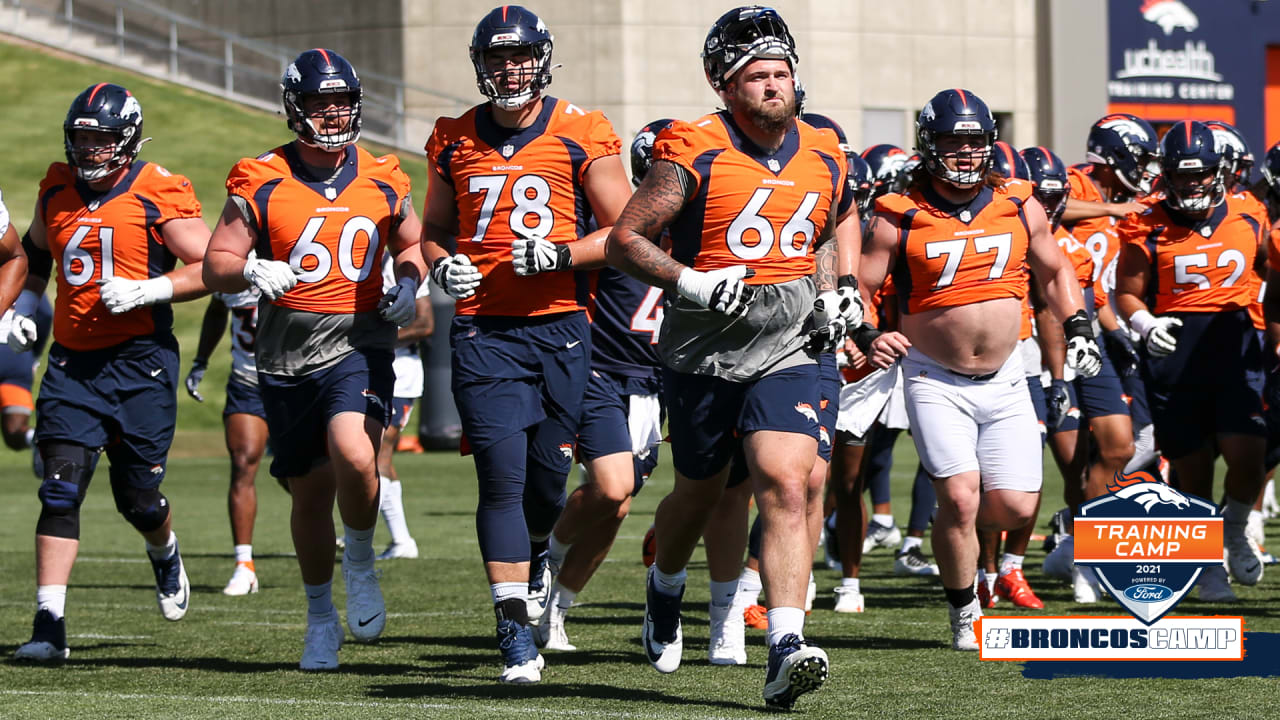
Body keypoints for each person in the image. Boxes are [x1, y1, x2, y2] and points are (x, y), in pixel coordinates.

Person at [606, 7, 862, 709]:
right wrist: (686, 278)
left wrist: (840, 291)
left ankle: (784, 644)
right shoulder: (693, 146)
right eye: (757, 75)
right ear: (724, 85)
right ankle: (664, 585)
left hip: (791, 345)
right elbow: (625, 239)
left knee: (786, 479)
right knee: (699, 489)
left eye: (782, 73)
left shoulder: (826, 147)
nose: (774, 86)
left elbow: (831, 219)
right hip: (705, 350)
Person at [420, 5, 631, 684]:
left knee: (547, 482)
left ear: (541, 59)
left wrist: (562, 254)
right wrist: (438, 263)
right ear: (480, 66)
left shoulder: (581, 130)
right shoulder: (452, 138)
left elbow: (625, 232)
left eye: (519, 57)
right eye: (496, 59)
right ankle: (514, 632)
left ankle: (539, 551)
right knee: (501, 477)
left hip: (561, 327)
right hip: (484, 330)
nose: (508, 70)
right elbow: (434, 229)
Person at [203, 48, 426, 670]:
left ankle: (360, 561)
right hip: (285, 356)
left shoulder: (384, 172)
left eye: (342, 103)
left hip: (359, 343)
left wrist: (408, 286)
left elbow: (412, 244)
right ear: (293, 107)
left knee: (356, 454)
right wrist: (250, 266)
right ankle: (320, 617)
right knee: (308, 493)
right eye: (319, 103)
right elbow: (215, 263)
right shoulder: (260, 175)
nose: (332, 115)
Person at [859, 88, 1101, 651]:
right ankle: (965, 606)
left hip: (1008, 373)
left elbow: (1056, 272)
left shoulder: (1019, 201)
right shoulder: (900, 212)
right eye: (953, 142)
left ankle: (956, 536)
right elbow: (864, 288)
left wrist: (1078, 324)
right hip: (933, 376)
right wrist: (870, 333)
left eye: (975, 143)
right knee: (963, 498)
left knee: (1015, 504)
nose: (967, 154)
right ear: (929, 144)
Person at [12, 83, 209, 662]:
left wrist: (152, 287)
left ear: (126, 140)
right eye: (81, 138)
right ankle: (49, 624)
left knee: (138, 498)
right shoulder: (56, 187)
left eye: (101, 138)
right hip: (73, 366)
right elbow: (36, 253)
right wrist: (26, 310)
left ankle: (164, 549)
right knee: (59, 488)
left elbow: (214, 267)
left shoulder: (155, 189)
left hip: (139, 364)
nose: (89, 149)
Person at [531, 119, 672, 653]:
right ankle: (543, 554)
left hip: (652, 381)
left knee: (619, 503)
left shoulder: (697, 225)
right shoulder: (612, 223)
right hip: (599, 370)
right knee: (613, 486)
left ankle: (558, 610)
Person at [1118, 121, 1267, 602]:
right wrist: (1146, 325)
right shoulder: (1147, 221)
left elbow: (1272, 270)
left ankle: (1236, 528)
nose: (1191, 183)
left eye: (1200, 173)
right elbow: (1126, 293)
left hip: (1234, 344)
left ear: (1220, 171)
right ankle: (1205, 568)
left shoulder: (1249, 212)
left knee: (1249, 456)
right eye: (1181, 175)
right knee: (1194, 470)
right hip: (1174, 351)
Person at [184, 284, 270, 595]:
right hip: (248, 383)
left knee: (300, 472)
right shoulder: (235, 266)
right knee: (243, 462)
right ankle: (244, 565)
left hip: (298, 383)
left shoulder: (300, 253)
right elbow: (218, 307)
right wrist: (201, 360)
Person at [376, 250, 434, 560]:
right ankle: (382, 533)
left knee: (378, 452)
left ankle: (401, 541)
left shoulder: (402, 267)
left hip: (400, 372)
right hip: (358, 368)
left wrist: (378, 337)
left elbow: (425, 323)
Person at [0, 291, 52, 456]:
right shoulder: (23, 272)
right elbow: (45, 314)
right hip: (17, 358)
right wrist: (33, 357)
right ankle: (33, 439)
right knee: (14, 430)